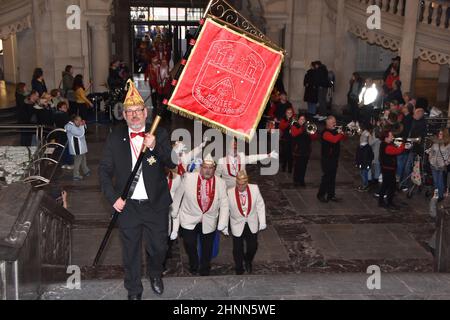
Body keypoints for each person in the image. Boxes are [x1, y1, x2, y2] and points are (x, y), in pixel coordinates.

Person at [98, 80, 175, 299]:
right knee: (130, 252)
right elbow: (103, 170)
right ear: (123, 115)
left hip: (156, 205)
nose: (134, 115)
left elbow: (171, 161)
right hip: (128, 206)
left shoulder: (158, 133)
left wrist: (154, 146)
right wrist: (113, 198)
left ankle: (155, 272)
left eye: (138, 111)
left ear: (145, 112)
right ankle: (134, 290)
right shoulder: (115, 137)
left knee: (159, 248)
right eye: (129, 112)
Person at [175, 155, 229, 276]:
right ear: (201, 167)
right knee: (189, 243)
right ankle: (194, 263)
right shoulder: (188, 178)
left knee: (207, 247)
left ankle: (205, 268)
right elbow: (178, 195)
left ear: (214, 169)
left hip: (209, 220)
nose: (208, 170)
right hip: (189, 218)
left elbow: (224, 204)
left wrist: (222, 223)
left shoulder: (221, 183)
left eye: (210, 168)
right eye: (205, 167)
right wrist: (174, 213)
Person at [227, 171, 266, 275]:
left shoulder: (254, 189)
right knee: (237, 249)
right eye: (238, 184)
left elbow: (260, 205)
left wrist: (262, 221)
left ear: (247, 182)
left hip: (251, 223)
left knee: (253, 246)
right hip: (236, 224)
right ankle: (239, 268)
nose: (240, 186)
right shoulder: (229, 192)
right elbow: (225, 209)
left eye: (243, 184)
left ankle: (248, 260)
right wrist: (224, 225)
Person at [317, 116, 346, 203]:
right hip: (327, 159)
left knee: (332, 177)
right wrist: (340, 133)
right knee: (326, 177)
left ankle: (331, 195)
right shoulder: (325, 133)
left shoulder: (334, 130)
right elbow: (334, 140)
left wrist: (344, 133)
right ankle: (320, 195)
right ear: (328, 123)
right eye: (333, 122)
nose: (335, 123)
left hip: (334, 158)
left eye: (335, 121)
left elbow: (342, 138)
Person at [378, 130, 407, 211]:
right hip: (388, 169)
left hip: (387, 168)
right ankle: (389, 202)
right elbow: (398, 151)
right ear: (386, 137)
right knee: (391, 186)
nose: (393, 137)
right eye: (391, 136)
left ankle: (382, 201)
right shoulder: (387, 146)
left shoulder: (385, 144)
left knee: (385, 185)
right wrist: (403, 143)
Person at [291, 114, 319, 187]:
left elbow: (314, 137)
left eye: (304, 120)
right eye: (301, 119)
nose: (302, 121)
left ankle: (301, 180)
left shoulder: (307, 127)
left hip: (306, 150)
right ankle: (296, 181)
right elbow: (294, 134)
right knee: (297, 166)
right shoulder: (295, 126)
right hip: (298, 150)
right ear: (298, 120)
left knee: (304, 166)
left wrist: (311, 131)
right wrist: (302, 128)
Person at [427, 129, 450, 202]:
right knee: (435, 181)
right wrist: (430, 159)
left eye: (441, 134)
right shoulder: (435, 142)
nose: (440, 135)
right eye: (439, 134)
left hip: (441, 165)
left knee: (440, 181)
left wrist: (446, 162)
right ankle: (436, 195)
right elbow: (431, 152)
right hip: (433, 164)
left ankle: (440, 195)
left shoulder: (448, 144)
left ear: (445, 135)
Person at [65, 115, 90, 181]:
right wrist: (82, 125)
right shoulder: (70, 127)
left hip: (80, 146)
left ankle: (86, 170)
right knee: (77, 161)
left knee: (83, 158)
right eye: (78, 120)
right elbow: (79, 133)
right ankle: (76, 175)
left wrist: (83, 125)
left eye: (80, 120)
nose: (79, 122)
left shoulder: (74, 125)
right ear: (74, 120)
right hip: (77, 147)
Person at [355, 123, 375, 192]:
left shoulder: (367, 147)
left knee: (364, 174)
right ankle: (365, 184)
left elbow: (369, 156)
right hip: (363, 163)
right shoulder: (361, 147)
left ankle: (365, 185)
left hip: (365, 163)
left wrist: (367, 164)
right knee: (362, 173)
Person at [279, 107, 296, 173]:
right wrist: (289, 122)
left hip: (292, 139)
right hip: (285, 139)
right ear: (286, 113)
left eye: (290, 113)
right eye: (288, 113)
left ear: (292, 113)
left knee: (291, 154)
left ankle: (290, 168)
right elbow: (281, 126)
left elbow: (297, 127)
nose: (289, 114)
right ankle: (283, 167)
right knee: (284, 153)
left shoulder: (294, 120)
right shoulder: (283, 119)